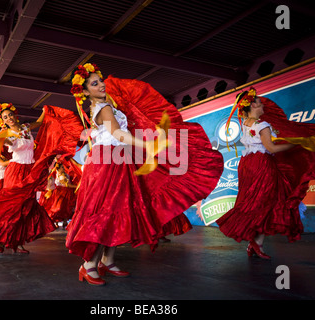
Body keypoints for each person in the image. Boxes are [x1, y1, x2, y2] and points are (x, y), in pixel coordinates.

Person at [65, 63, 224, 285]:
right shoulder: (103, 108)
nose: (101, 85)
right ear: (84, 91)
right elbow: (117, 133)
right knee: (105, 211)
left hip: (115, 160)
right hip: (107, 162)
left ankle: (106, 261)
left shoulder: (107, 105)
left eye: (100, 80)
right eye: (94, 83)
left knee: (119, 210)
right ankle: (88, 265)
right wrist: (146, 144)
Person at [216, 87, 315, 259]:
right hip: (262, 164)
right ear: (252, 106)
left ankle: (255, 244)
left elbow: (260, 140)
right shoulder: (262, 125)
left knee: (258, 203)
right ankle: (256, 244)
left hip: (247, 165)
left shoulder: (245, 122)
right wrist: (297, 145)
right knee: (269, 202)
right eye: (259, 102)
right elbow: (271, 148)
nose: (262, 104)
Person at [0, 103, 56, 253]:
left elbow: (39, 122)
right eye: (5, 117)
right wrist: (0, 139)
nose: (9, 118)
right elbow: (7, 142)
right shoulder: (6, 133)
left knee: (26, 208)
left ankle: (18, 242)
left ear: (15, 115)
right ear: (3, 121)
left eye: (10, 115)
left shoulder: (26, 127)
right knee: (12, 207)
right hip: (15, 171)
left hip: (29, 170)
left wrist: (45, 110)